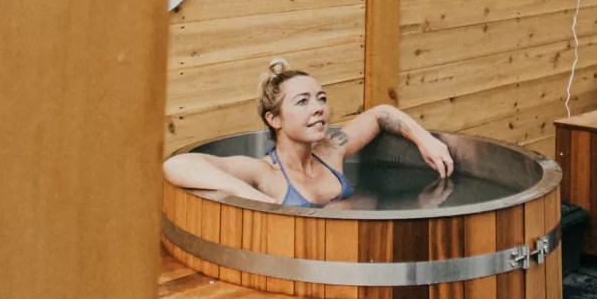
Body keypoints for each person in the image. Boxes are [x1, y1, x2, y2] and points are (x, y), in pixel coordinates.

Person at [162, 59, 453, 206]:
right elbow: (176, 164)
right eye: (302, 102)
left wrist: (424, 138)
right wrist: (243, 192)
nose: (318, 109)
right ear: (274, 119)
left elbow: (380, 114)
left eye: (321, 98)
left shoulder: (333, 150)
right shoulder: (266, 174)